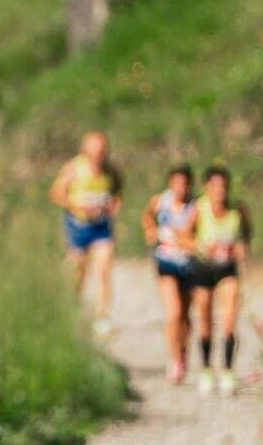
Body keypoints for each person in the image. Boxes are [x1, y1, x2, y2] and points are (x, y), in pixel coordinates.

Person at [186, 165, 252, 396]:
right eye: (215, 186)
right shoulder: (197, 208)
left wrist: (241, 249)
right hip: (203, 269)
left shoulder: (238, 210)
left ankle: (227, 370)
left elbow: (245, 236)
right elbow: (185, 237)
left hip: (227, 269)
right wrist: (203, 246)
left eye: (223, 186)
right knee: (204, 320)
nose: (219, 191)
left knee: (229, 318)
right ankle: (205, 369)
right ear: (207, 187)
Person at [50, 132, 123, 337]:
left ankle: (102, 317)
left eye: (102, 151)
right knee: (78, 271)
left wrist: (114, 206)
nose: (98, 156)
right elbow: (55, 193)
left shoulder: (111, 170)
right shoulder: (73, 169)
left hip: (101, 227)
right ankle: (75, 308)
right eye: (94, 151)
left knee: (104, 270)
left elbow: (117, 191)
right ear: (85, 151)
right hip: (77, 226)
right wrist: (76, 206)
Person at [141, 164, 198, 385]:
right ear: (169, 184)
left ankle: (183, 353)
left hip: (189, 265)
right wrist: (150, 230)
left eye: (184, 184)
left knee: (185, 315)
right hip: (165, 263)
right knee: (173, 312)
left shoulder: (195, 207)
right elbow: (146, 215)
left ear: (190, 186)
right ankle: (174, 360)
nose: (180, 188)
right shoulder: (160, 201)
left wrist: (185, 240)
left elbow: (195, 235)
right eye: (176, 183)